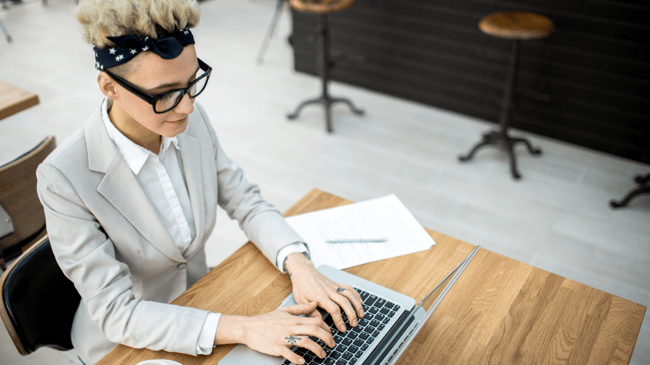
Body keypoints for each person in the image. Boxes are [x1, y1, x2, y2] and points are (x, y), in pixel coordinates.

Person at [36, 1, 363, 364]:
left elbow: (244, 199)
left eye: (192, 83)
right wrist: (246, 328)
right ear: (109, 87)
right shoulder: (63, 178)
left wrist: (300, 265)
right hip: (126, 349)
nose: (188, 106)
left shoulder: (186, 120)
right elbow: (118, 313)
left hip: (205, 304)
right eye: (165, 94)